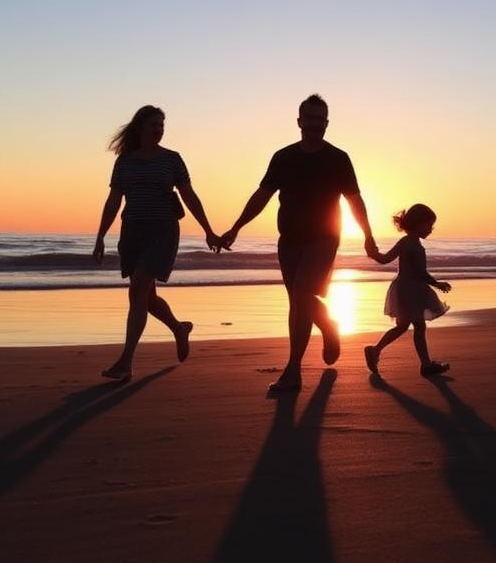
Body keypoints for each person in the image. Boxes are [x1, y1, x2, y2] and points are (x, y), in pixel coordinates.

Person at [220, 94, 377, 393]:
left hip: (324, 238)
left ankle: (293, 371)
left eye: (321, 119)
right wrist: (236, 227)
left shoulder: (338, 158)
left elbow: (355, 200)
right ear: (299, 121)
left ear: (327, 123)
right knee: (299, 301)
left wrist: (368, 235)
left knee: (303, 296)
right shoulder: (283, 157)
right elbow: (262, 195)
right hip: (289, 239)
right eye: (310, 118)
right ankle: (329, 326)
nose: (316, 124)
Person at [92, 105, 221, 382]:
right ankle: (178, 328)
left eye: (162, 125)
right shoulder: (124, 161)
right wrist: (101, 235)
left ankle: (126, 362)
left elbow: (189, 196)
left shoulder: (172, 159)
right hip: (132, 233)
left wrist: (208, 230)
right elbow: (114, 200)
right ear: (140, 127)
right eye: (153, 125)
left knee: (138, 289)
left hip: (162, 233)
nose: (158, 130)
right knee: (145, 297)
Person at [363, 204, 452, 377]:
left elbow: (385, 259)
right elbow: (420, 272)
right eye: (428, 225)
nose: (431, 229)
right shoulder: (413, 244)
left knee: (403, 326)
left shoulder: (406, 242)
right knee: (418, 325)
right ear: (417, 224)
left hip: (404, 288)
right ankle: (426, 365)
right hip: (412, 289)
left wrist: (373, 253)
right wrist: (437, 284)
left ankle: (375, 350)